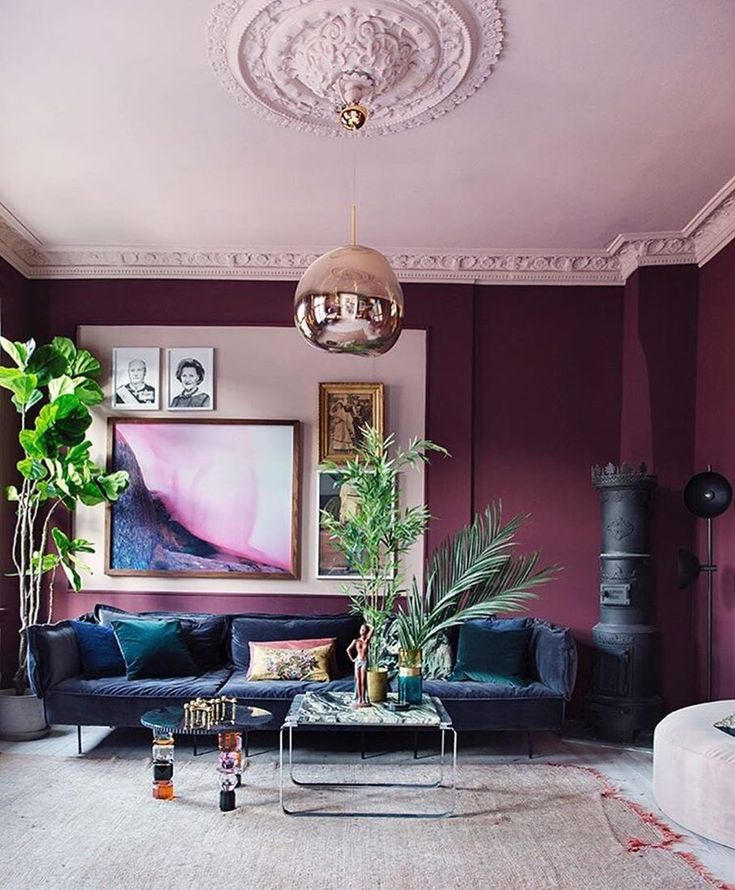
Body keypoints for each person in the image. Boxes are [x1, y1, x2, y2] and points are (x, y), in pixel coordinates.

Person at [346, 623, 374, 708]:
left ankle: (363, 699)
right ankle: (359, 698)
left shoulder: (367, 640)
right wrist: (352, 659)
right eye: (361, 629)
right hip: (357, 661)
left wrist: (367, 624)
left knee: (363, 680)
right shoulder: (356, 641)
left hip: (364, 661)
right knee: (358, 680)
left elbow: (373, 628)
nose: (362, 630)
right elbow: (348, 650)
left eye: (364, 629)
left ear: (366, 631)